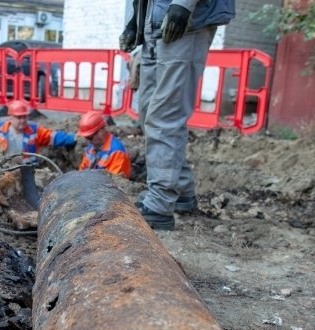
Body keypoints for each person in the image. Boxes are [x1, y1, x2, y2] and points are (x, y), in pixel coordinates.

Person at [120, 0, 235, 230]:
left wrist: (183, 4)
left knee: (165, 115)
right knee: (148, 113)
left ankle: (159, 205)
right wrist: (135, 19)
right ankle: (181, 191)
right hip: (154, 22)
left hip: (186, 22)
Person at [0, 100, 76, 164]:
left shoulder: (34, 131)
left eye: (24, 117)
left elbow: (54, 137)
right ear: (11, 117)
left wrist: (72, 138)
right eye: (19, 117)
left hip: (28, 171)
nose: (22, 120)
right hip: (4, 169)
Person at [77, 111, 131, 179]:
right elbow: (82, 170)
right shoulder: (91, 147)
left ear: (100, 131)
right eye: (86, 138)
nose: (89, 141)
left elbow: (114, 182)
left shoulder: (117, 152)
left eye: (90, 137)